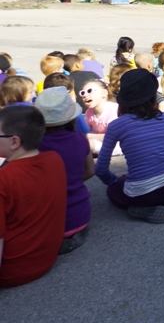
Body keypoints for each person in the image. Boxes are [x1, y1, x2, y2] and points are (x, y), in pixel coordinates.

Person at [95, 69, 164, 224]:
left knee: (113, 191)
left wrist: (113, 181)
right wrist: (163, 160)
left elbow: (101, 169)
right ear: (153, 98)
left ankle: (142, 209)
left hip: (142, 194)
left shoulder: (116, 126)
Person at [0, 105, 67, 287]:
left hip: (11, 270)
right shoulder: (55, 159)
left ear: (14, 142)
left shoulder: (5, 178)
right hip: (45, 259)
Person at [35, 87, 94, 254]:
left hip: (49, 220)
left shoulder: (35, 145)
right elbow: (90, 170)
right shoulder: (80, 139)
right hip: (81, 214)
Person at [82, 79, 119, 154]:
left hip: (119, 145)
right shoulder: (89, 112)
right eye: (82, 93)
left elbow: (115, 137)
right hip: (102, 144)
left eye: (89, 91)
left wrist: (89, 136)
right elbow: (88, 132)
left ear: (104, 93)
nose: (85, 95)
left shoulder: (114, 110)